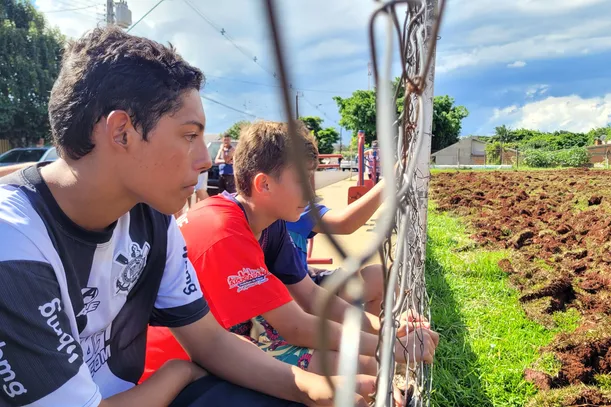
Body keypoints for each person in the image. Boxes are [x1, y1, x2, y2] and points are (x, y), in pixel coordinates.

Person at [0, 27, 373, 407]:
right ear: (121, 132)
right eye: (189, 135)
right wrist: (179, 372)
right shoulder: (13, 244)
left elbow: (209, 340)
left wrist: (308, 388)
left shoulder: (152, 218)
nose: (207, 160)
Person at [144, 121, 436, 382]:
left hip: (225, 338)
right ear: (264, 184)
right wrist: (390, 348)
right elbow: (295, 326)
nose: (311, 193)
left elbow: (310, 296)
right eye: (302, 181)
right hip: (174, 365)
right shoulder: (224, 231)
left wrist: (387, 330)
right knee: (365, 372)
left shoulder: (270, 222)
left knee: (366, 365)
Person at [288, 180, 387, 315]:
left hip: (307, 283)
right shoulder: (289, 210)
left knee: (378, 277)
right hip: (290, 299)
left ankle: (372, 333)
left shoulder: (294, 208)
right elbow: (345, 223)